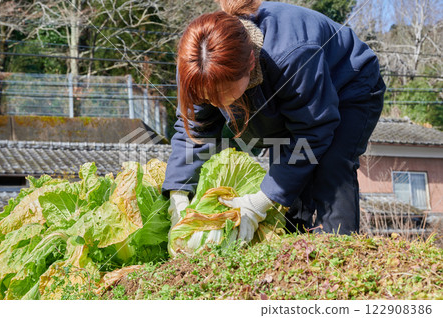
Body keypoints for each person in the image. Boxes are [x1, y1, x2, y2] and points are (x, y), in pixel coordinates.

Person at [162, 0, 386, 242]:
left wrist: (259, 201)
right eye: (209, 98)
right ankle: (294, 249)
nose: (217, 106)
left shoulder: (291, 54)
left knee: (331, 165)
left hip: (349, 83)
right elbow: (196, 129)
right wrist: (179, 191)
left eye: (224, 97)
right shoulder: (198, 65)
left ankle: (340, 249)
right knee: (290, 168)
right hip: (289, 95)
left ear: (250, 62)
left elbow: (312, 132)